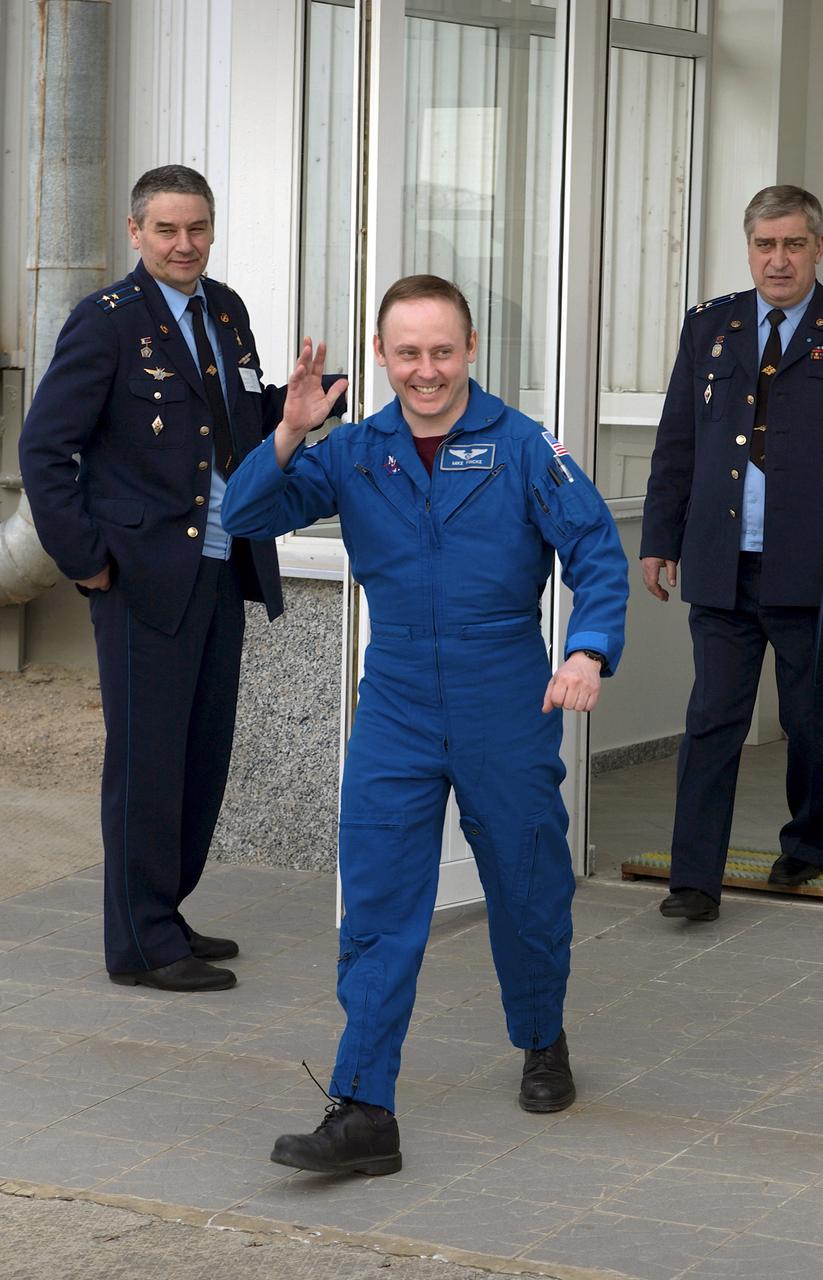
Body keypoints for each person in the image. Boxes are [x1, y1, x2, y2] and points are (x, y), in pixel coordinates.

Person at [222, 274, 628, 1176]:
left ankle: (541, 1037)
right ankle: (364, 1108)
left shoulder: (522, 447)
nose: (426, 370)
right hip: (398, 700)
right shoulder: (355, 450)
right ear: (381, 357)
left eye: (442, 350)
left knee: (527, 889)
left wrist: (587, 650)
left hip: (505, 696)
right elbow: (244, 515)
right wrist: (288, 433)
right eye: (407, 353)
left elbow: (595, 550)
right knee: (375, 903)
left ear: (471, 349)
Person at [19, 165, 346, 992]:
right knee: (147, 762)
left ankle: (164, 909)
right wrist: (87, 562)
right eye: (166, 230)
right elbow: (44, 452)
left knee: (201, 757)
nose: (184, 245)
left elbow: (230, 416)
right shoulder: (105, 323)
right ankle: (139, 944)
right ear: (136, 233)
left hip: (223, 562)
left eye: (197, 228)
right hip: (140, 576)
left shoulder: (225, 310)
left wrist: (298, 410)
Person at [641, 184, 823, 923]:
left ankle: (807, 846)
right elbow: (677, 439)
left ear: (815, 248)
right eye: (763, 244)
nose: (776, 259)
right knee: (712, 718)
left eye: (792, 244)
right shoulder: (710, 327)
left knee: (810, 721)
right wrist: (658, 538)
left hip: (806, 567)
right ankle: (694, 879)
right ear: (748, 247)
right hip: (721, 560)